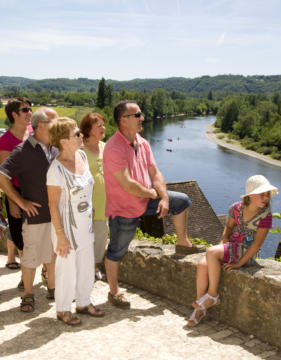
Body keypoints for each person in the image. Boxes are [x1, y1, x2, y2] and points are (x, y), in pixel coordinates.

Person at [103, 100, 193, 309]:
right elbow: (127, 183)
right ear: (123, 120)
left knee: (182, 201)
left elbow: (155, 172)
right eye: (138, 115)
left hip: (146, 200)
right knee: (116, 251)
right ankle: (114, 291)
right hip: (124, 208)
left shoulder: (142, 142)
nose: (142, 118)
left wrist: (164, 197)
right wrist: (153, 194)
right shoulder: (113, 147)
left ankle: (182, 243)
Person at [187, 175, 278, 326]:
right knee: (203, 265)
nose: (266, 198)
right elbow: (228, 227)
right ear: (250, 195)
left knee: (211, 252)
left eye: (267, 194)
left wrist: (240, 263)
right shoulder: (236, 208)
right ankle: (200, 308)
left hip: (245, 252)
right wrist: (223, 242)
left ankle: (213, 295)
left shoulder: (265, 216)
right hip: (231, 247)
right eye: (262, 194)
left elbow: (256, 245)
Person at [0, 108, 58, 313]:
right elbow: (1, 175)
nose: (58, 126)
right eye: (54, 122)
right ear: (40, 126)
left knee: (52, 254)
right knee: (31, 257)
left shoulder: (55, 148)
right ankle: (28, 295)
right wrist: (20, 202)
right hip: (35, 216)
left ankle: (52, 288)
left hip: (55, 215)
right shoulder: (22, 150)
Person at [48, 117, 105, 326]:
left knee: (86, 265)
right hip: (66, 229)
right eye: (77, 134)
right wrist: (60, 236)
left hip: (86, 225)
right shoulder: (55, 170)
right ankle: (63, 309)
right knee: (67, 270)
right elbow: (52, 205)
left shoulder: (81, 155)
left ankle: (83, 302)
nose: (82, 135)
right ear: (63, 141)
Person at [0, 97, 32, 274]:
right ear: (14, 115)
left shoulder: (33, 132)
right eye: (25, 110)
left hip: (36, 191)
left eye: (29, 109)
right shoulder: (5, 141)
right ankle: (26, 278)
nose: (29, 113)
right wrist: (12, 202)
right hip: (17, 193)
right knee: (21, 237)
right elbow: (4, 175)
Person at [79, 113, 108, 281]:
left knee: (101, 236)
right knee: (87, 237)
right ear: (89, 129)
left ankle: (95, 267)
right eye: (99, 126)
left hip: (105, 201)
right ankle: (85, 270)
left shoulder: (104, 146)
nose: (103, 128)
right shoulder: (80, 150)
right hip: (88, 202)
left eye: (103, 125)